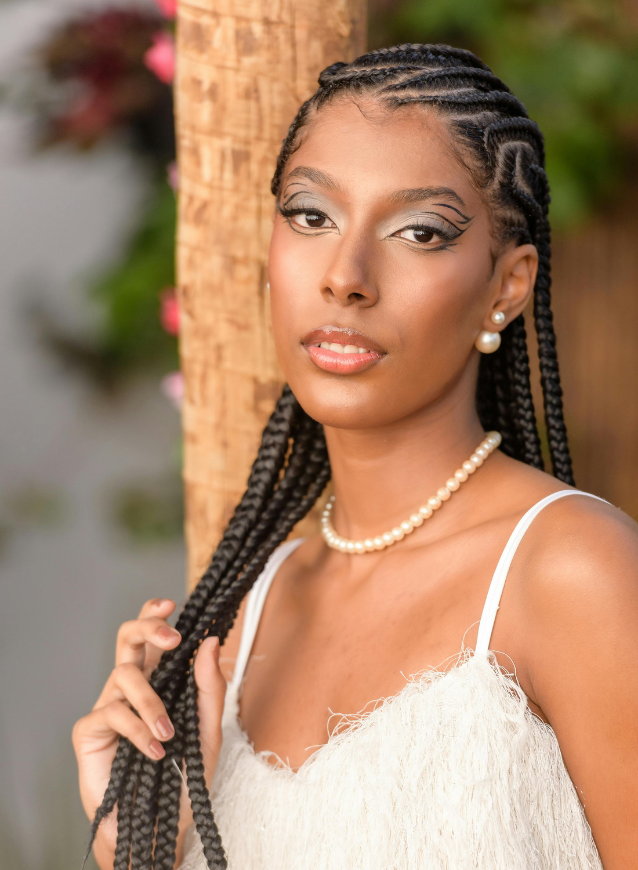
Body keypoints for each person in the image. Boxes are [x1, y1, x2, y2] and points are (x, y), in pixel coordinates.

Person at [72, 44, 638, 870]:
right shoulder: (246, 610)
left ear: (506, 287)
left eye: (419, 231)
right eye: (310, 216)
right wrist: (140, 852)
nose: (346, 276)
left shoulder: (572, 570)